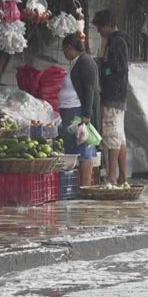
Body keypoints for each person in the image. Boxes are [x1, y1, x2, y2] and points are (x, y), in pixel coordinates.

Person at [92, 9, 129, 188]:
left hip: (113, 94)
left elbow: (118, 69)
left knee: (111, 135)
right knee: (120, 137)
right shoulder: (113, 41)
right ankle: (122, 177)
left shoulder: (116, 42)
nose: (99, 31)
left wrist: (104, 68)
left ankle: (112, 178)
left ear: (107, 25)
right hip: (117, 95)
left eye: (100, 27)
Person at [60, 34, 100, 187]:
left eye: (64, 50)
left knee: (84, 148)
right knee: (76, 148)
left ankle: (84, 187)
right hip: (71, 112)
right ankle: (79, 186)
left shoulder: (85, 63)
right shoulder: (78, 62)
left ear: (70, 48)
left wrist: (86, 114)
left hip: (79, 112)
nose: (64, 54)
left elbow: (90, 90)